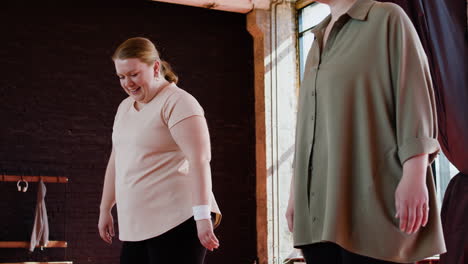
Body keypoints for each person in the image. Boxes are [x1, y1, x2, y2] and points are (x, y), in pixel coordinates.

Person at [286, 0, 446, 263]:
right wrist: (295, 192)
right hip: (316, 209)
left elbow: (413, 94)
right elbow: (308, 124)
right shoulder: (317, 39)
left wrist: (415, 173)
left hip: (374, 200)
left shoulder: (387, 18)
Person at [98, 37, 221, 264]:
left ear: (155, 67)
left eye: (134, 74)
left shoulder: (179, 102)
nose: (128, 83)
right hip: (138, 224)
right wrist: (106, 207)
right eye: (121, 77)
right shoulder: (124, 107)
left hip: (179, 220)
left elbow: (199, 160)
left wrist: (202, 217)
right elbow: (117, 160)